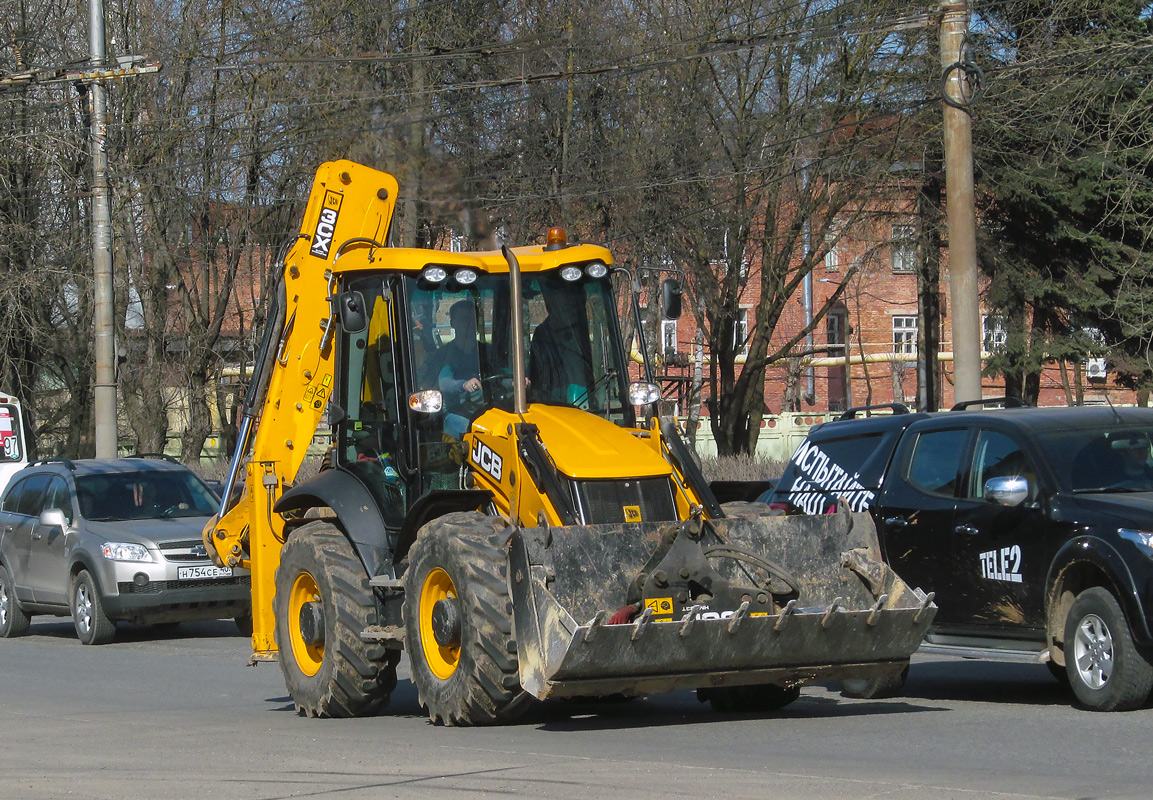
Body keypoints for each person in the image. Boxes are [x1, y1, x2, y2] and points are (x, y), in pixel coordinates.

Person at [529, 284, 592, 406]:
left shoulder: (588, 330)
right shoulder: (543, 334)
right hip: (550, 403)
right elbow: (537, 377)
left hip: (587, 404)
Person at [438, 299, 483, 439]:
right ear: (453, 323)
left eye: (471, 319)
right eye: (464, 319)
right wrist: (463, 384)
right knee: (474, 433)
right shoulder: (445, 353)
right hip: (456, 412)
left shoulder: (486, 351)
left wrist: (515, 381)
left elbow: (501, 372)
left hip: (486, 411)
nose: (468, 324)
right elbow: (444, 381)